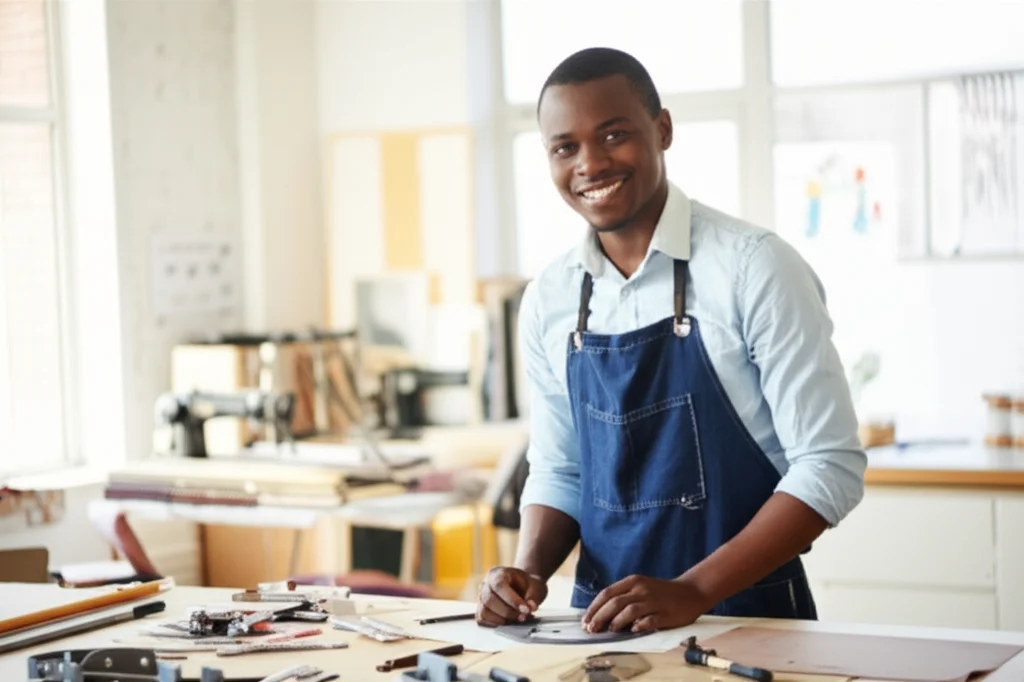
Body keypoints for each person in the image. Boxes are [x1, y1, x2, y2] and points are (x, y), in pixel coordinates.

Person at [475, 47, 867, 634]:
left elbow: (829, 465)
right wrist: (527, 573)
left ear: (662, 130)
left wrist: (694, 591)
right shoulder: (550, 297)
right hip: (600, 629)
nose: (590, 163)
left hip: (749, 622)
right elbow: (562, 469)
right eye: (565, 147)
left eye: (613, 135)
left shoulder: (754, 268)